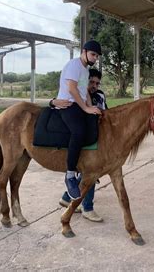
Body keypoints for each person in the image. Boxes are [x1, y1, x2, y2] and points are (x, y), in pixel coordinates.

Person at [50, 68, 106, 222]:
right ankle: (87, 207)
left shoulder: (99, 96)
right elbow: (60, 104)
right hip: (80, 138)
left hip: (95, 137)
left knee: (88, 171)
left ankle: (66, 197)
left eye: (97, 83)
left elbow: (105, 113)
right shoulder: (76, 95)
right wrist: (52, 102)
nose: (94, 85)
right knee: (91, 172)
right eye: (91, 82)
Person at [56, 40, 102, 204]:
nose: (95, 58)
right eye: (93, 54)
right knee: (79, 132)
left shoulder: (85, 69)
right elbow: (72, 89)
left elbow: (84, 92)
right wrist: (85, 108)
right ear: (84, 51)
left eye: (96, 56)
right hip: (68, 104)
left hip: (79, 104)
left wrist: (92, 107)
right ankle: (70, 175)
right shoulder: (75, 65)